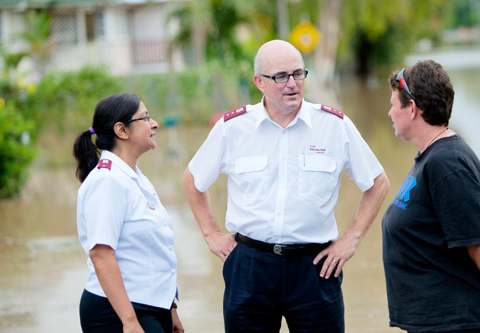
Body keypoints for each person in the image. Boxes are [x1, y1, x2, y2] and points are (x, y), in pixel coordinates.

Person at [183, 39, 390, 332]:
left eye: (298, 74)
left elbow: (378, 182)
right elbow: (193, 179)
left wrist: (351, 239)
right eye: (281, 76)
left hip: (315, 267)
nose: (292, 83)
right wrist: (211, 234)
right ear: (259, 82)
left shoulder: (333, 126)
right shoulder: (233, 129)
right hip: (250, 267)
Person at [382, 60, 480, 332]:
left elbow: (479, 241)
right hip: (433, 320)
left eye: (393, 104)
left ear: (412, 109)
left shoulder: (448, 163)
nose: (388, 113)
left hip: (451, 321)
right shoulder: (433, 156)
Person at [73, 93, 184, 333]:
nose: (154, 123)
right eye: (144, 118)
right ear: (122, 130)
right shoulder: (107, 182)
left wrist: (170, 307)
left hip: (152, 306)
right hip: (119, 312)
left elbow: (153, 250)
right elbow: (101, 255)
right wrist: (130, 322)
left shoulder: (135, 178)